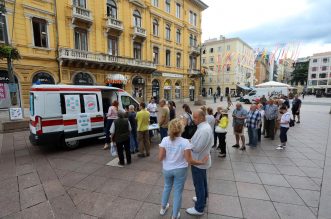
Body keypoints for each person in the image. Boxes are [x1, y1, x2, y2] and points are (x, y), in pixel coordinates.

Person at [159, 119, 209, 219]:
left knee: (167, 187)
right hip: (180, 170)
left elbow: (160, 158)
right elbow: (189, 160)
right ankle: (174, 215)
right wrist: (201, 162)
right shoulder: (185, 142)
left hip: (167, 169)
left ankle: (163, 208)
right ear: (181, 129)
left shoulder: (164, 140)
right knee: (178, 192)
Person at [186, 110, 214, 216]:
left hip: (199, 161)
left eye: (195, 117)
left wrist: (188, 145)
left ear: (202, 117)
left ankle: (199, 208)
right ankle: (202, 199)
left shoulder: (204, 130)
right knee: (202, 182)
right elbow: (194, 141)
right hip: (201, 161)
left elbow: (197, 148)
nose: (193, 119)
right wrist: (188, 141)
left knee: (199, 184)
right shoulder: (203, 127)